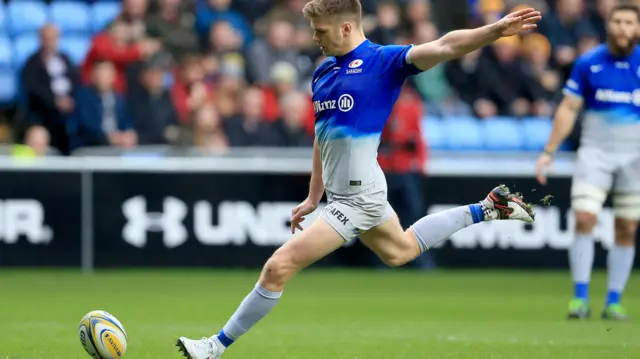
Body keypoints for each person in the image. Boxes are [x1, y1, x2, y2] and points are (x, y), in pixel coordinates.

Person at [176, 1, 540, 357]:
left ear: (346, 28)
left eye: (321, 31)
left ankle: (215, 346)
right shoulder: (323, 72)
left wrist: (494, 31)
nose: (315, 38)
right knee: (401, 251)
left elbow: (445, 45)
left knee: (277, 267)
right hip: (350, 192)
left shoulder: (383, 62)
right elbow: (323, 136)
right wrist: (313, 195)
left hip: (357, 199)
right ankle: (488, 208)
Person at [536, 3, 640, 321]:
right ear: (608, 25)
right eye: (618, 21)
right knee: (583, 218)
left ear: (637, 29)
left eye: (629, 22)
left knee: (626, 227)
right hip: (595, 154)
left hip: (634, 159)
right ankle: (580, 297)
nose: (623, 27)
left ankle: (614, 300)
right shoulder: (588, 63)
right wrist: (549, 150)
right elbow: (568, 109)